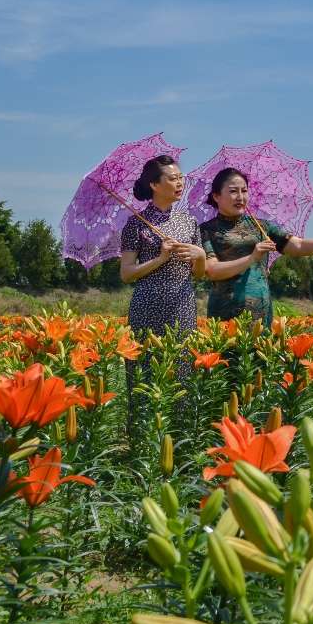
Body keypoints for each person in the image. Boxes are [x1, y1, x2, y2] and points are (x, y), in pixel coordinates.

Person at [200, 167, 313, 328]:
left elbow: (297, 245)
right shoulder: (206, 230)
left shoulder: (261, 226)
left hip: (261, 311)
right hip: (226, 314)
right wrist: (252, 258)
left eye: (244, 191)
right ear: (216, 196)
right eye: (233, 191)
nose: (240, 197)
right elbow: (212, 270)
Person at [119, 154, 206, 432]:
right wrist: (159, 258)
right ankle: (141, 440)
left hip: (183, 303)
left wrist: (200, 255)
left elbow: (199, 273)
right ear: (155, 185)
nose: (180, 183)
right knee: (144, 374)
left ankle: (178, 441)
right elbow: (126, 273)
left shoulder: (190, 222)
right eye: (173, 178)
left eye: (181, 177)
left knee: (182, 372)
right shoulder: (136, 223)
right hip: (147, 305)